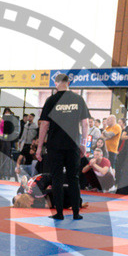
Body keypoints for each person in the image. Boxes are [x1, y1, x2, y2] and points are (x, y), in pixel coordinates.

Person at [36, 73, 89, 221]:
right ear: (68, 83)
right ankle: (76, 213)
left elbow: (45, 125)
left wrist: (40, 147)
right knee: (74, 178)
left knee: (57, 179)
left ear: (56, 83)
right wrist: (84, 144)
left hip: (55, 145)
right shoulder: (78, 99)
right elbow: (85, 124)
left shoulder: (51, 100)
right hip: (73, 145)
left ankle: (59, 213)